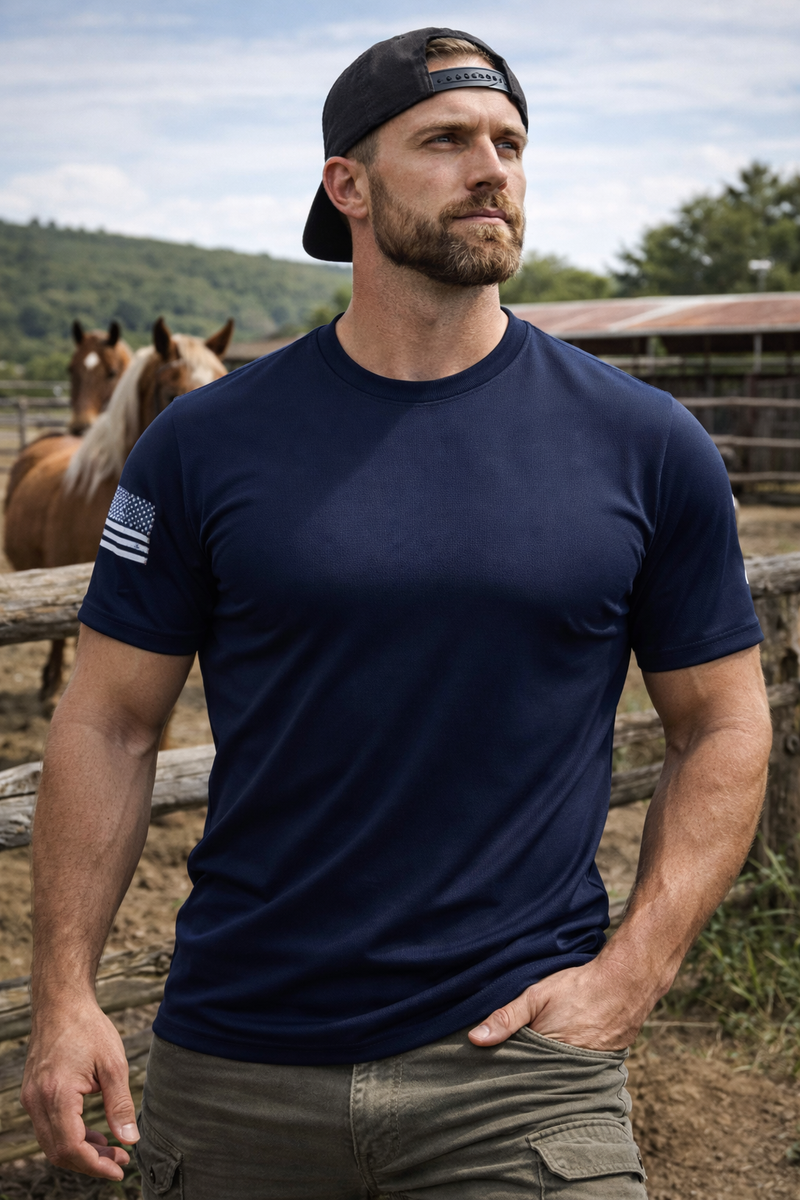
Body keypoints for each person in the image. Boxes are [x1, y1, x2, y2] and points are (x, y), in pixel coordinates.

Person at [21, 26, 771, 1200]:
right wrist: (64, 996)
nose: (491, 169)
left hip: (519, 1073)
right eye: (445, 140)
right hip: (237, 1059)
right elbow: (109, 722)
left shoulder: (642, 443)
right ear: (348, 185)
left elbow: (721, 722)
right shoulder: (205, 446)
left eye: (509, 143)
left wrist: (633, 972)